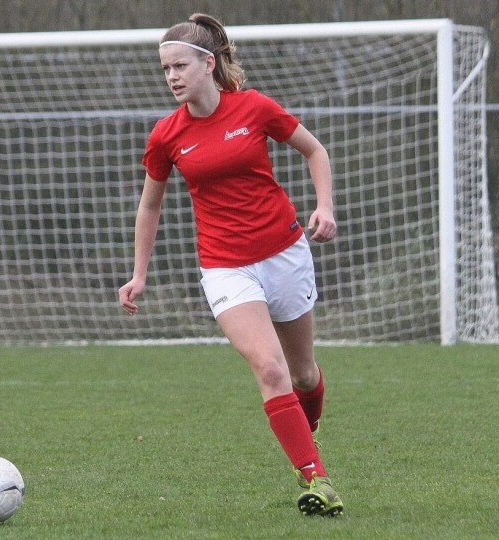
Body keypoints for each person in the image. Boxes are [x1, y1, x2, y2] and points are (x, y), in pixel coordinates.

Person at [118, 13, 343, 517]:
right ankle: (317, 479)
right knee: (270, 368)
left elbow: (315, 151)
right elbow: (149, 206)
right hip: (225, 267)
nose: (172, 76)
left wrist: (324, 206)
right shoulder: (166, 135)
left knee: (304, 376)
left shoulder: (254, 107)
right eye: (164, 69)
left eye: (180, 66)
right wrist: (139, 274)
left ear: (208, 63)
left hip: (285, 253)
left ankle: (305, 438)